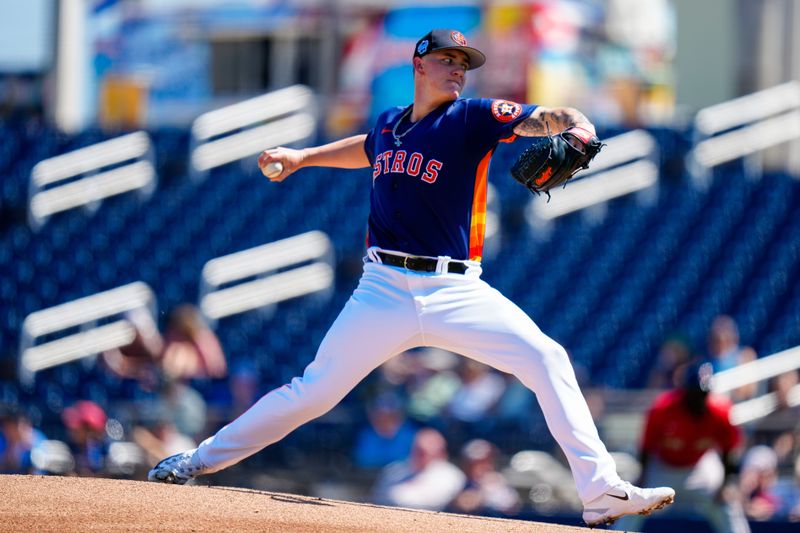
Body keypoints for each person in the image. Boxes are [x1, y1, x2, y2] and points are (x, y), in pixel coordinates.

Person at [148, 28, 674, 527]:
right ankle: (198, 461)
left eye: (465, 64)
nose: (459, 71)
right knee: (312, 392)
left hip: (455, 289)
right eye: (448, 60)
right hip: (380, 290)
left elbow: (550, 116)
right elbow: (367, 148)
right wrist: (303, 157)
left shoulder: (472, 117)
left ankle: (600, 490)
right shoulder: (388, 124)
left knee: (546, 358)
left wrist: (579, 127)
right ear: (419, 64)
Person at [615, 362, 750, 533]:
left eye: (702, 393)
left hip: (700, 465)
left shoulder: (720, 411)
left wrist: (726, 484)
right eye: (694, 393)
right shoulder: (663, 408)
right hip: (664, 466)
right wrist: (642, 476)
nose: (699, 398)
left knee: (727, 503)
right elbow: (646, 447)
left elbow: (729, 450)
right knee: (636, 501)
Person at [370, 427, 465, 511]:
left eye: (424, 453)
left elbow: (435, 503)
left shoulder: (451, 476)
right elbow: (378, 497)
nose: (419, 456)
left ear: (440, 453)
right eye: (417, 450)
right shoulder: (393, 470)